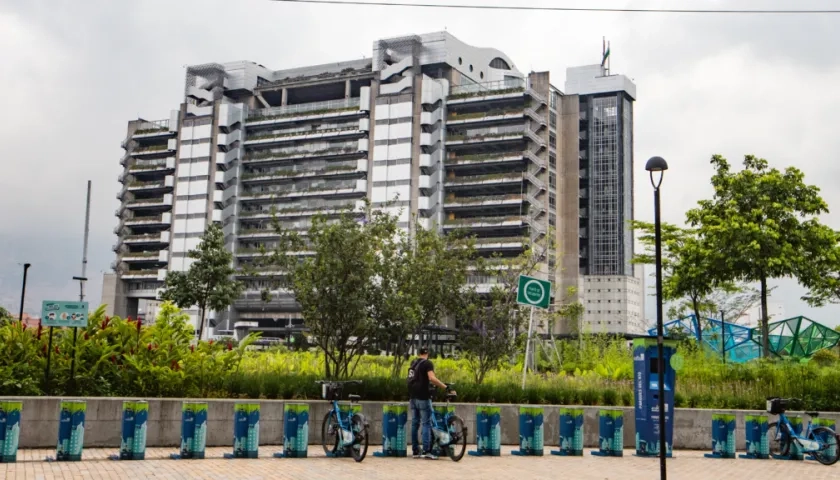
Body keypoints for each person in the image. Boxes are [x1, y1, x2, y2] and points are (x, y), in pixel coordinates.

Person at [407, 347, 452, 460]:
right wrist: (445, 387)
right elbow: (432, 378)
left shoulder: (413, 363)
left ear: (419, 353)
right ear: (427, 354)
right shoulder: (427, 363)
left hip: (413, 397)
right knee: (426, 424)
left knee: (415, 424)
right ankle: (427, 451)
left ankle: (415, 451)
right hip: (423, 397)